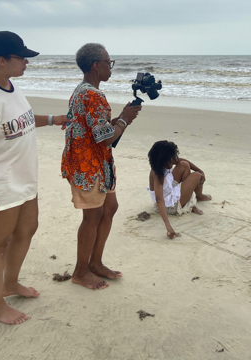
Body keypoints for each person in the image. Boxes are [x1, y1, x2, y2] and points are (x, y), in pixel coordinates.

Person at [0, 31, 70, 325]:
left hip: (22, 181)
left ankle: (10, 284)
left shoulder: (10, 85)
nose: (26, 62)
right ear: (1, 60)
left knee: (26, 231)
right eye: (21, 57)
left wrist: (51, 120)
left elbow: (19, 121)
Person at [61, 43, 142, 290]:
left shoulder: (83, 91)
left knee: (110, 208)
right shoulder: (93, 95)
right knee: (93, 216)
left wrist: (118, 118)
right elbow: (105, 138)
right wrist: (125, 121)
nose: (111, 67)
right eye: (108, 62)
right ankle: (80, 271)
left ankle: (95, 263)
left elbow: (97, 128)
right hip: (89, 165)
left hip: (97, 163)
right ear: (96, 66)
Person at [146, 140, 212, 239]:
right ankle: (188, 204)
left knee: (184, 165)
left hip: (169, 190)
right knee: (196, 176)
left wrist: (201, 170)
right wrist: (168, 226)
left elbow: (181, 160)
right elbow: (159, 199)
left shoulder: (164, 162)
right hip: (168, 205)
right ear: (163, 160)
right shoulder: (156, 173)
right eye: (171, 161)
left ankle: (198, 196)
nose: (173, 163)